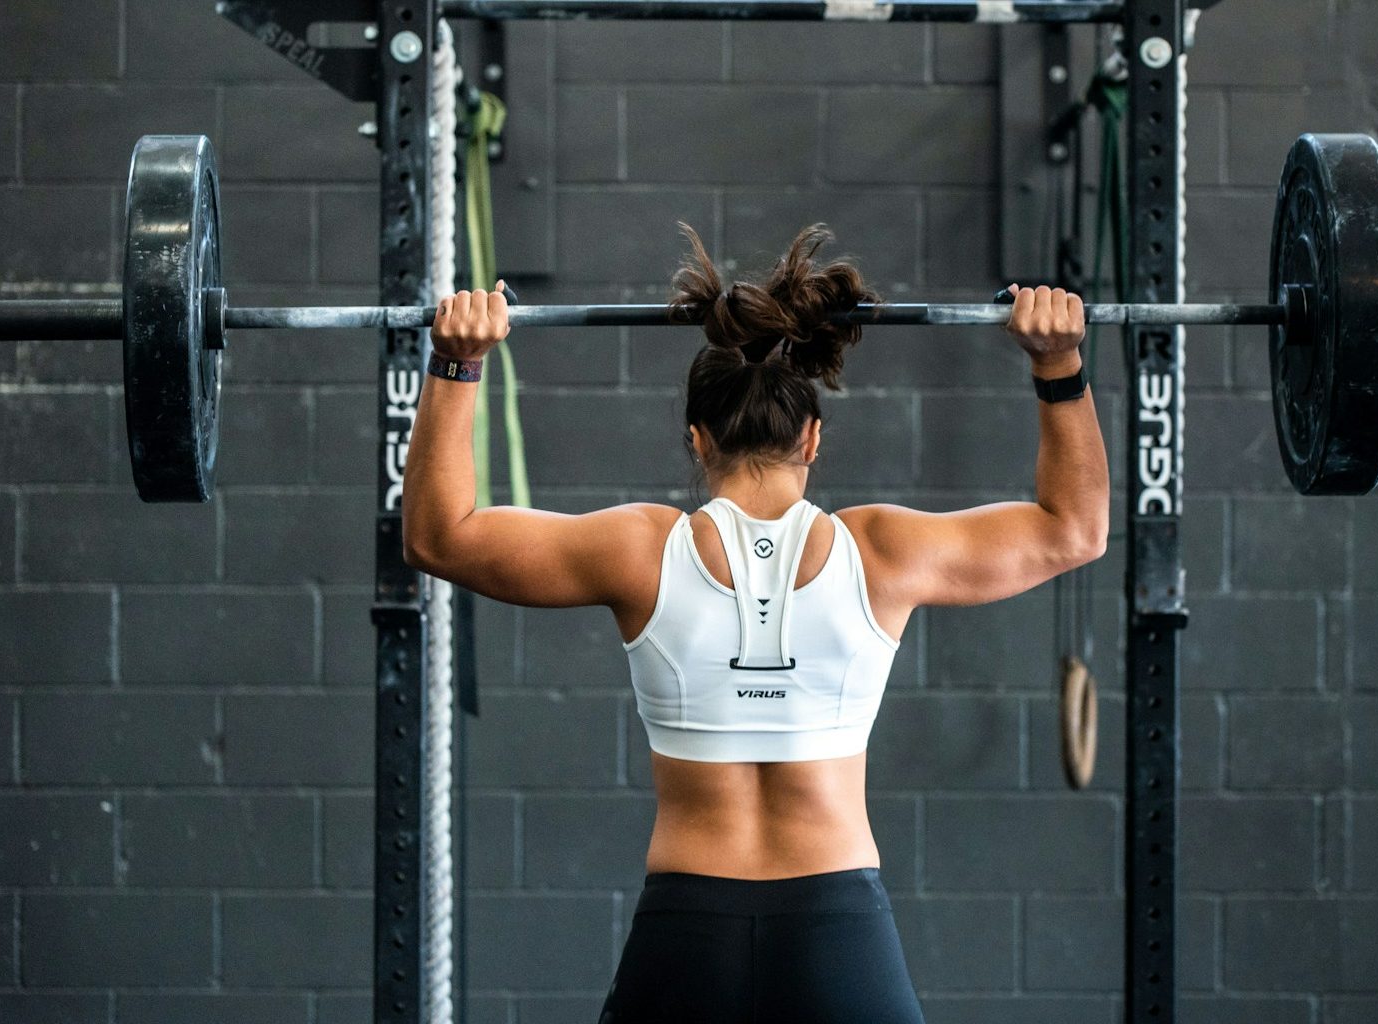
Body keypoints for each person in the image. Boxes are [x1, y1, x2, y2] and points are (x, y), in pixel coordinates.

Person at [402, 223, 1108, 1024]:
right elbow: (1073, 530)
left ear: (695, 439)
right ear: (813, 438)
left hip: (686, 934)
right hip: (840, 931)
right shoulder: (883, 552)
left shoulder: (639, 551)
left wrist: (458, 364)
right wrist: (1059, 366)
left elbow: (438, 536)